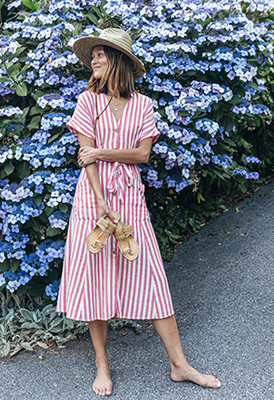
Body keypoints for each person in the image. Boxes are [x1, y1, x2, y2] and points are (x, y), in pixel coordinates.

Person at [56, 28, 221, 396]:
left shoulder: (143, 105)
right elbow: (86, 159)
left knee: (152, 279)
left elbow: (141, 155)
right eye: (93, 55)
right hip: (93, 201)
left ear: (119, 61)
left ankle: (180, 365)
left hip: (130, 199)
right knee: (95, 281)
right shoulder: (86, 102)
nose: (94, 60)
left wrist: (102, 152)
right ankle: (101, 365)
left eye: (101, 54)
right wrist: (100, 198)